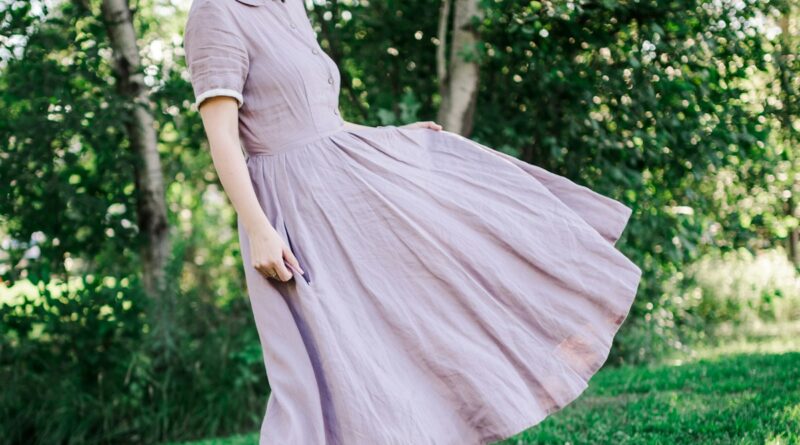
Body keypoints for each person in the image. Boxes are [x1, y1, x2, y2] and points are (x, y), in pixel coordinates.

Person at [183, 0, 642, 443]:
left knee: (399, 328)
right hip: (290, 211)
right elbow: (222, 137)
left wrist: (391, 136)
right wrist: (261, 229)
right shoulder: (215, 11)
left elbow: (323, 122)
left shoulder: (289, 5)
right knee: (325, 364)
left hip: (344, 191)